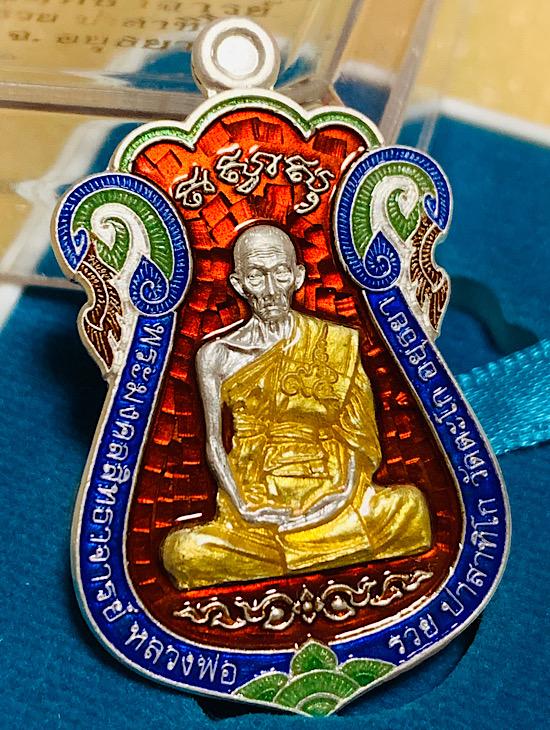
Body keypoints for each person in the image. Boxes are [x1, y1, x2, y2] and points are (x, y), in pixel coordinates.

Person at [162, 224, 431, 590]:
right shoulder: (216, 355)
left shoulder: (336, 342)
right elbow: (213, 443)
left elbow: (359, 439)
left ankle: (307, 553)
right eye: (257, 277)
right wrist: (243, 508)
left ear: (298, 276)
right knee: (183, 552)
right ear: (238, 284)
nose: (271, 290)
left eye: (281, 274)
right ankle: (318, 554)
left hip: (335, 497)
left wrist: (339, 499)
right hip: (258, 507)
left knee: (410, 507)